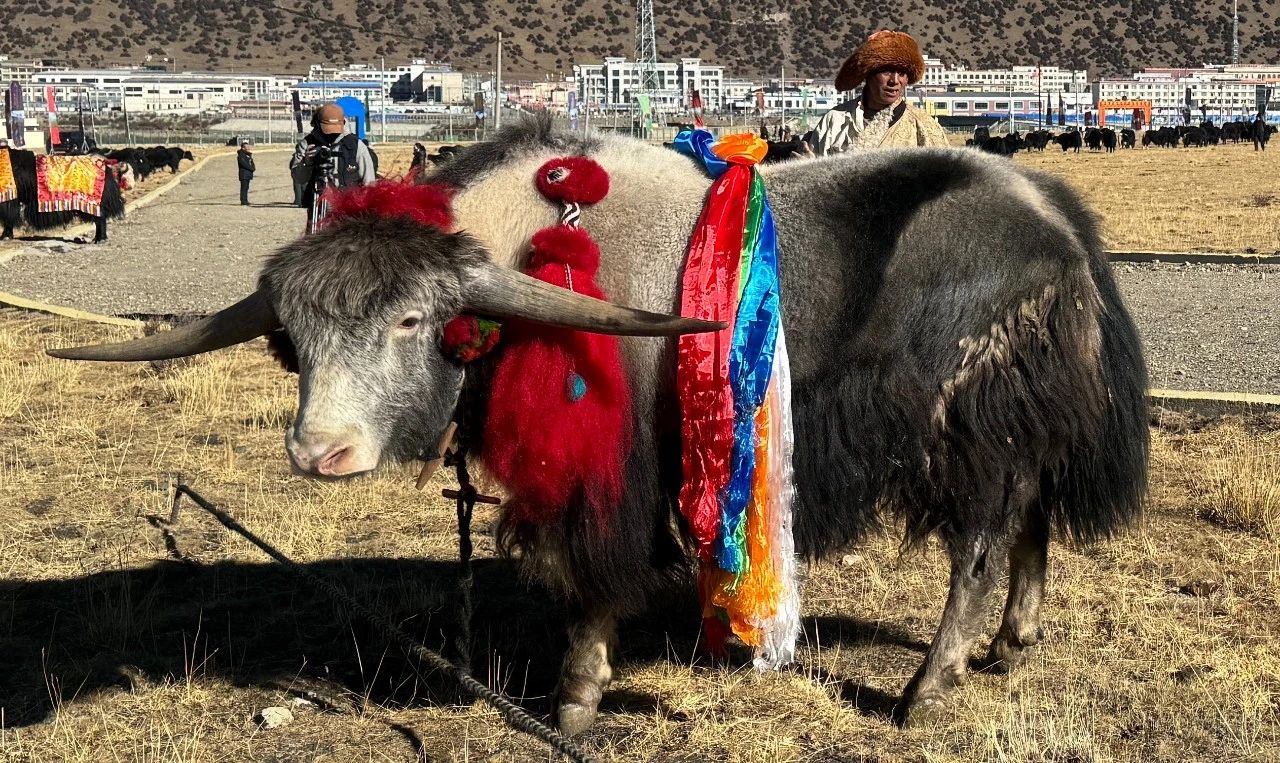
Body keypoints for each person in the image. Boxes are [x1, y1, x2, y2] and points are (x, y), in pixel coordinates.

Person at [811, 30, 949, 154]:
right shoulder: (836, 119)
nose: (894, 81)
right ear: (868, 74)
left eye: (902, 73)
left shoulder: (923, 125)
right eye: (886, 71)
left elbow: (948, 176)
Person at [290, 103, 376, 228]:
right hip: (318, 207)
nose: (331, 134)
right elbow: (299, 178)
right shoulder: (307, 144)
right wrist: (307, 162)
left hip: (349, 209)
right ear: (318, 124)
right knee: (317, 245)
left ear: (343, 123)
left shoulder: (356, 145)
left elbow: (369, 182)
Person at [236, 141, 255, 206]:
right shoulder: (241, 155)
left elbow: (251, 162)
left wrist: (253, 168)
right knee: (243, 188)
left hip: (248, 174)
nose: (248, 148)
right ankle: (243, 201)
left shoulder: (248, 155)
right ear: (243, 148)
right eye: (247, 147)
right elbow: (244, 164)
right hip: (244, 174)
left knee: (246, 187)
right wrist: (251, 169)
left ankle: (245, 200)